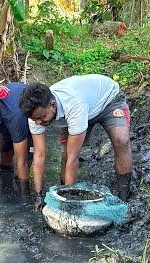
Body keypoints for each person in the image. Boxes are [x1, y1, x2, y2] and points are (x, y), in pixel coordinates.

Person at [19, 74, 132, 210]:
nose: (38, 123)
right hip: (80, 109)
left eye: (41, 118)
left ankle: (123, 198)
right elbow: (39, 155)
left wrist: (66, 205)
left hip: (108, 100)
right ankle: (63, 190)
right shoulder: (35, 115)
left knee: (121, 140)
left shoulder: (73, 105)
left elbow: (74, 159)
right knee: (65, 154)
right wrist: (38, 195)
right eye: (34, 119)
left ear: (53, 105)